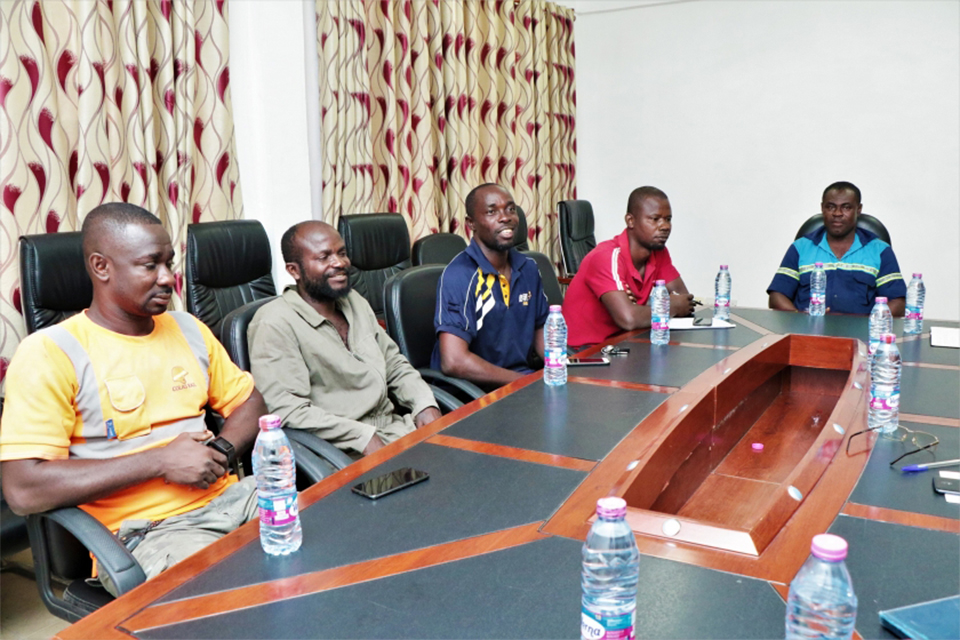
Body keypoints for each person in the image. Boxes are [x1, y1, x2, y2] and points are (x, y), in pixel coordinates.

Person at [0, 203, 266, 595]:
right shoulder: (51, 352)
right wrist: (159, 460)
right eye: (150, 265)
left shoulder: (187, 328)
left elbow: (251, 402)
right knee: (241, 601)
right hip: (150, 533)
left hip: (235, 500)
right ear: (101, 267)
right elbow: (23, 489)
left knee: (337, 540)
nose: (167, 278)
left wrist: (222, 451)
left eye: (169, 263)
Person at [248, 221, 441, 458]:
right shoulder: (274, 323)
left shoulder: (354, 301)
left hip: (395, 431)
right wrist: (361, 436)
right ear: (294, 270)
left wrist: (424, 403)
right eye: (324, 257)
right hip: (341, 452)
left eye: (342, 253)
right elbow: (286, 409)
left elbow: (393, 363)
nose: (339, 263)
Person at [432, 183, 549, 389]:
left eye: (511, 209)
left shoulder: (529, 268)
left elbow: (542, 329)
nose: (505, 217)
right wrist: (524, 381)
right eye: (491, 211)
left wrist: (562, 369)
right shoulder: (460, 275)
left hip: (522, 383)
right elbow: (453, 361)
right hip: (476, 393)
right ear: (471, 223)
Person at [563, 186, 695, 349]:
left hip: (626, 342)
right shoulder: (607, 256)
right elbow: (629, 318)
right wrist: (670, 306)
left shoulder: (658, 252)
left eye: (668, 219)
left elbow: (684, 300)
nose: (665, 226)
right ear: (630, 220)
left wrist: (644, 309)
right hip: (586, 352)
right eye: (655, 219)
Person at [767, 182, 906, 316]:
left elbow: (898, 302)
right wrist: (799, 318)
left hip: (861, 336)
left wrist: (870, 325)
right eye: (831, 207)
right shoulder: (801, 247)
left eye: (846, 207)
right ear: (822, 209)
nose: (837, 213)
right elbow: (777, 296)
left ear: (858, 210)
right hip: (809, 333)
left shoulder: (879, 250)